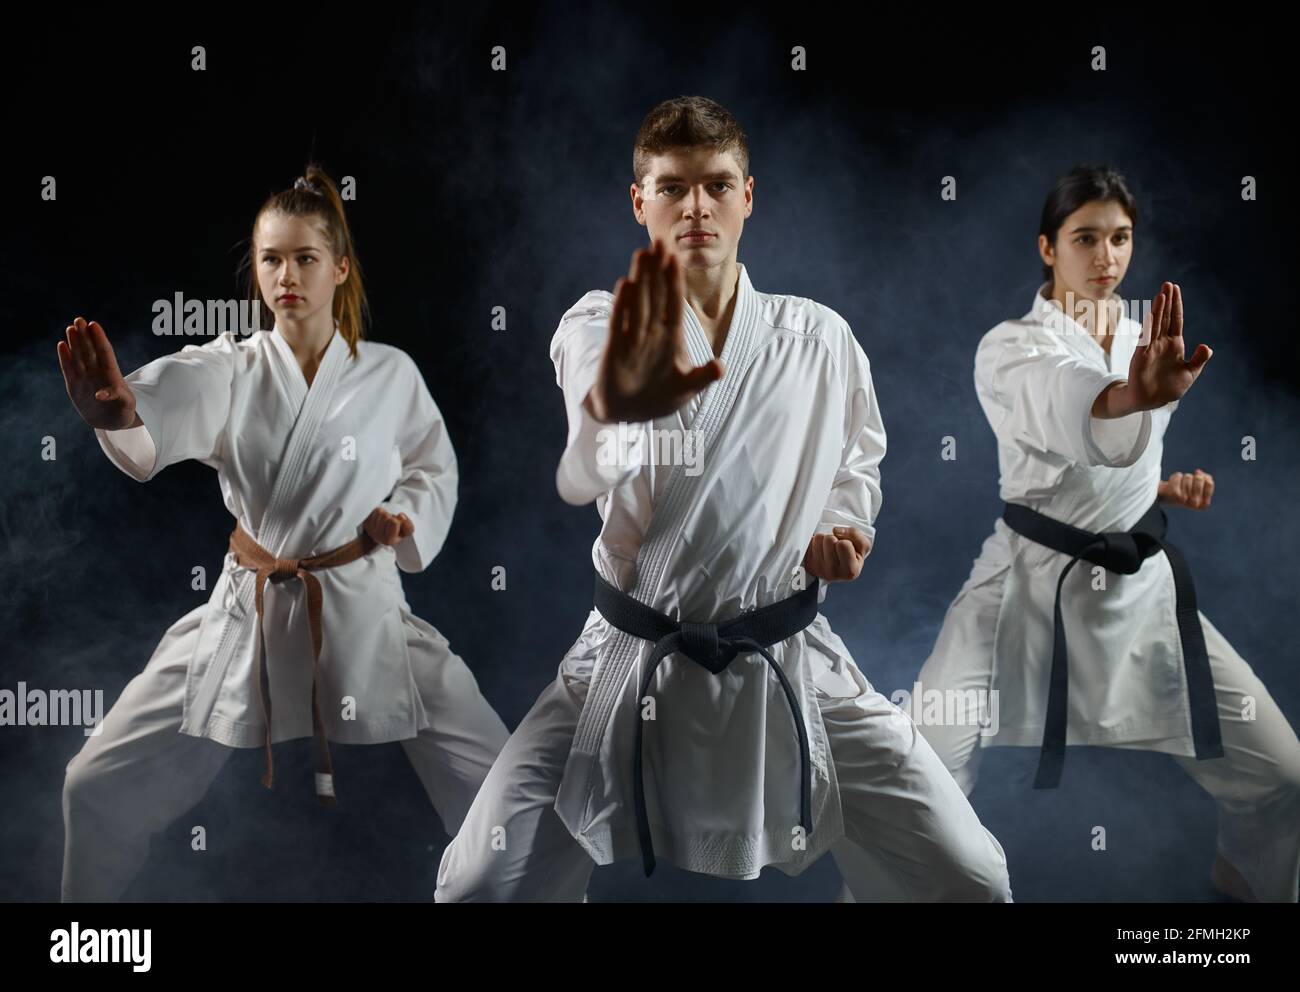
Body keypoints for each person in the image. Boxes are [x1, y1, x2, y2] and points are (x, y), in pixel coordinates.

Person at [435, 96, 1011, 902]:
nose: (696, 206)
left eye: (716, 184)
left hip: (787, 654)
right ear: (640, 202)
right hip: (628, 658)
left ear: (749, 197)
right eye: (672, 187)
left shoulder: (820, 339)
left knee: (972, 874)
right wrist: (628, 394)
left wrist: (840, 530)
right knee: (479, 883)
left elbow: (855, 468)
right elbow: (593, 426)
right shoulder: (601, 323)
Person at [56, 165, 509, 901]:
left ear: (339, 267)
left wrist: (407, 519)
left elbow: (435, 470)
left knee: (506, 791)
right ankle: (84, 947)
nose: (285, 275)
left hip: (362, 607)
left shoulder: (389, 374)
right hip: (250, 614)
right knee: (93, 784)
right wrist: (121, 412)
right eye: (270, 258)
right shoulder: (232, 367)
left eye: (304, 258)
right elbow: (167, 400)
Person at [913, 164, 1300, 902]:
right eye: (1085, 237)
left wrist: (1155, 487)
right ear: (1047, 248)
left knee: (1283, 777)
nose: (1106, 257)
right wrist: (1130, 395)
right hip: (1025, 587)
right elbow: (1064, 409)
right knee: (920, 765)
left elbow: (1100, 466)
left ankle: (1250, 885)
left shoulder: (1145, 337)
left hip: (1140, 593)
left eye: (1120, 238)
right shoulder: (1011, 347)